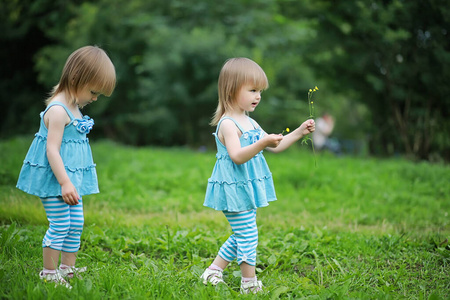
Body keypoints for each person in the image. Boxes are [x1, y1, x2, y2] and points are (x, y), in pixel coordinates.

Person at [200, 57, 315, 294]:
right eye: (252, 90)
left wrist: (299, 132)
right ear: (232, 90)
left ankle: (213, 271)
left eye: (259, 91)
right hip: (232, 188)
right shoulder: (228, 124)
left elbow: (276, 146)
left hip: (246, 189)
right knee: (248, 234)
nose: (258, 96)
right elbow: (237, 156)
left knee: (242, 233)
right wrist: (262, 142)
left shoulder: (250, 121)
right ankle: (249, 284)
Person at [16, 45, 116, 288]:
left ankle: (68, 269)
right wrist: (64, 182)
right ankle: (49, 274)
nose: (94, 98)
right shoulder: (59, 110)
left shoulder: (74, 107)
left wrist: (71, 181)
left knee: (76, 223)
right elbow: (52, 149)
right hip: (56, 180)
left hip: (71, 179)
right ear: (75, 79)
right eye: (93, 91)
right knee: (60, 223)